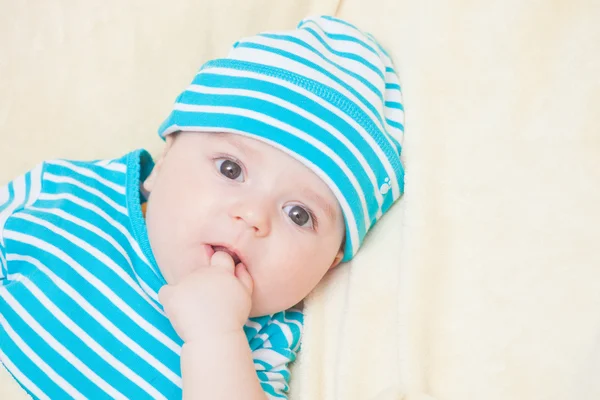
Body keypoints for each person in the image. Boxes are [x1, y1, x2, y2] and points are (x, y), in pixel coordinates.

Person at [0, 15, 404, 399]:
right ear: (163, 160)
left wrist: (216, 337)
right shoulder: (69, 193)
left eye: (299, 214)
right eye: (231, 169)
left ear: (330, 264)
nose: (253, 216)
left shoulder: (257, 344)